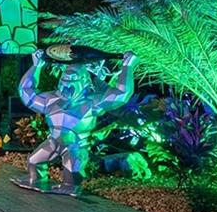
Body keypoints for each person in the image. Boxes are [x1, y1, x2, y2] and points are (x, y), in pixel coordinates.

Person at [16, 48, 135, 195]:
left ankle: (70, 186)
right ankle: (36, 180)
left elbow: (121, 94)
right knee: (33, 162)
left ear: (84, 81)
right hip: (53, 142)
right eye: (64, 80)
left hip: (76, 146)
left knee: (72, 174)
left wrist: (128, 66)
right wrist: (37, 66)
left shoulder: (92, 102)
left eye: (73, 80)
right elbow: (26, 92)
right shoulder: (51, 99)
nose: (66, 85)